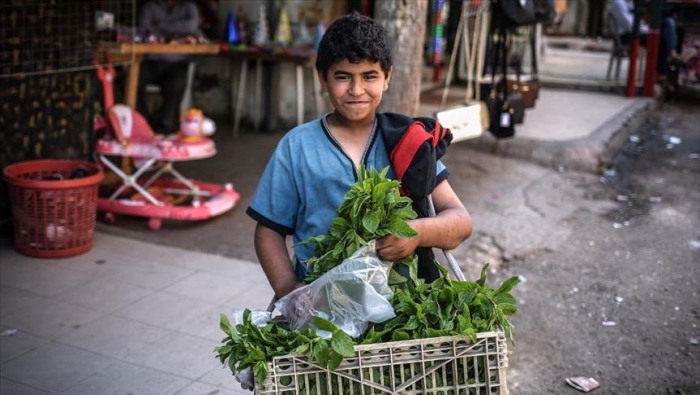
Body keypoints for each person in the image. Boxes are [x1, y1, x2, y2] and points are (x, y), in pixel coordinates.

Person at [246, 12, 473, 301]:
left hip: (399, 309)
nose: (356, 90)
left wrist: (417, 232)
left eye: (369, 76)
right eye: (342, 77)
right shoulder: (298, 146)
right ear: (323, 79)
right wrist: (288, 288)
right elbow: (268, 230)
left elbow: (460, 222)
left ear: (387, 78)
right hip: (320, 306)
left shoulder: (409, 141)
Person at [137, 0, 200, 134]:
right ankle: (143, 122)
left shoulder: (189, 7)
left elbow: (191, 27)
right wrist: (176, 32)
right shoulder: (150, 6)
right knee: (131, 81)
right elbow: (144, 30)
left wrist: (160, 26)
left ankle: (163, 126)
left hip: (177, 62)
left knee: (176, 86)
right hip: (152, 60)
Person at [608, 0, 678, 77]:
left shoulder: (629, 2)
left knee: (667, 25)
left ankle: (664, 67)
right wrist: (649, 30)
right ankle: (661, 73)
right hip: (625, 35)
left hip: (634, 31)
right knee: (660, 40)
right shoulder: (619, 3)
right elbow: (630, 25)